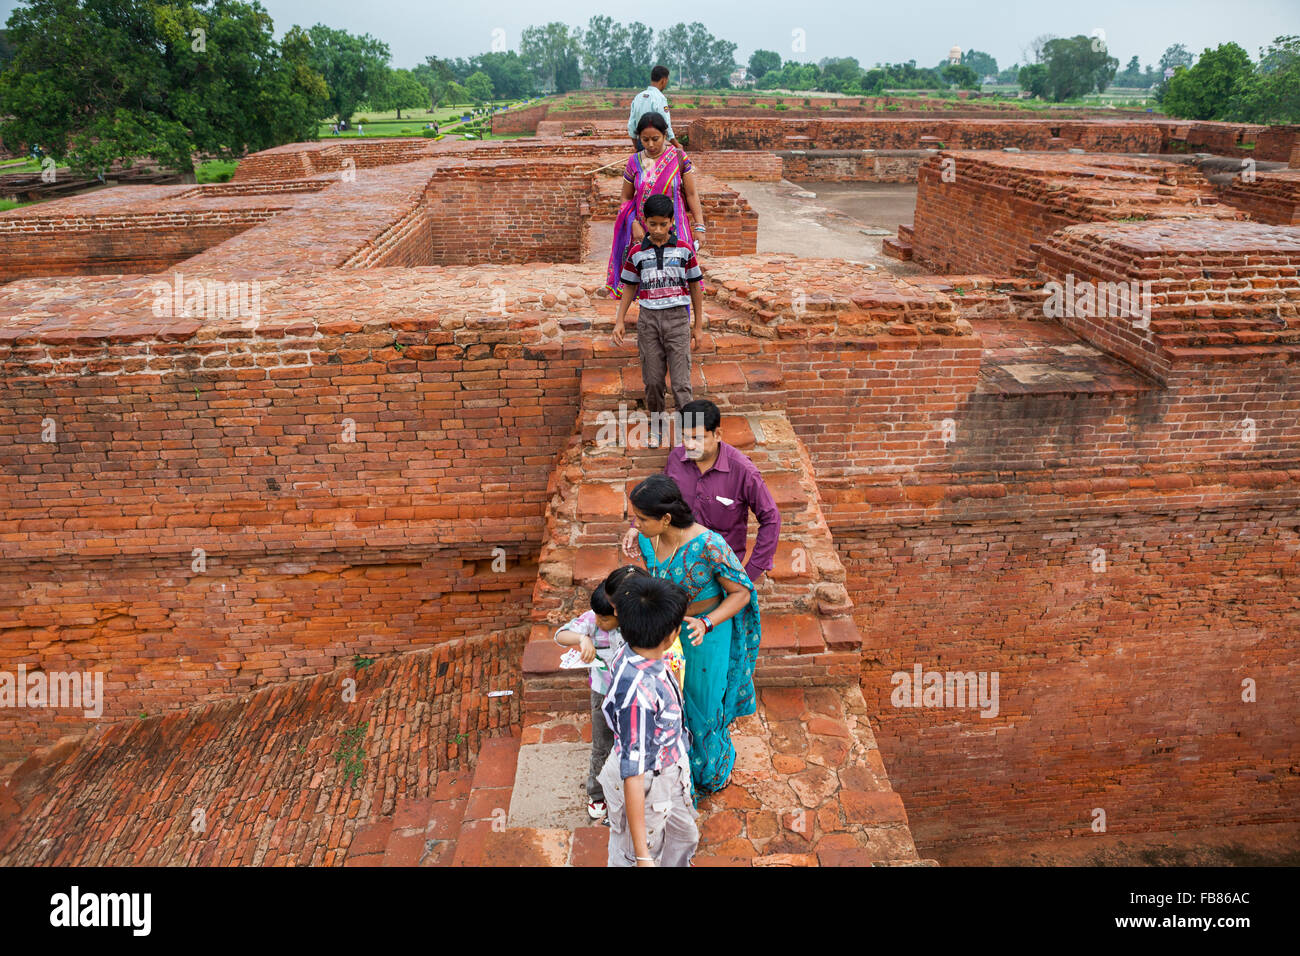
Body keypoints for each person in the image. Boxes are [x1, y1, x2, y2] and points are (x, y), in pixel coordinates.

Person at [627, 475, 761, 793]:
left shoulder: (709, 545)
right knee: (675, 703)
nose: (636, 524)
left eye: (641, 518)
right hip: (668, 635)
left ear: (666, 519)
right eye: (635, 517)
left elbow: (741, 592)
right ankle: (680, 768)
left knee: (703, 703)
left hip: (705, 635)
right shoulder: (649, 538)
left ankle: (708, 771)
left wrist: (706, 623)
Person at [553, 566, 683, 821]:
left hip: (634, 699)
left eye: (609, 617)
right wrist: (582, 639)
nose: (603, 621)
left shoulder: (638, 626)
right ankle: (597, 793)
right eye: (600, 617)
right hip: (603, 694)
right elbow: (561, 635)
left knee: (632, 747)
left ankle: (628, 794)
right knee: (602, 746)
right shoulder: (593, 621)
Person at [621, 399, 781, 586]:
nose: (689, 445)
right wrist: (635, 525)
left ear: (718, 434)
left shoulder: (743, 471)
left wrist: (750, 573)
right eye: (685, 437)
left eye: (697, 438)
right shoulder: (676, 459)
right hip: (679, 565)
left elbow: (771, 519)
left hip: (720, 573)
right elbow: (661, 497)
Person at [598, 574, 699, 866]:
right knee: (636, 852)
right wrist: (642, 856)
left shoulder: (636, 652)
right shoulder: (639, 698)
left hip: (670, 767)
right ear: (671, 635)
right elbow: (634, 775)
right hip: (648, 782)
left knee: (684, 836)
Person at [612, 193, 704, 448]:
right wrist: (620, 320)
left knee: (681, 383)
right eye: (653, 224)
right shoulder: (637, 253)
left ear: (672, 221)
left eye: (664, 224)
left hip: (677, 320)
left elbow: (696, 287)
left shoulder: (684, 250)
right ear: (644, 221)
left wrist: (697, 325)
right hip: (649, 320)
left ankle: (691, 435)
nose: (658, 230)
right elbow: (629, 287)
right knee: (653, 382)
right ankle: (657, 427)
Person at [604, 111, 706, 300]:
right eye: (645, 139)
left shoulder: (678, 158)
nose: (650, 144)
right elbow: (626, 198)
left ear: (665, 135)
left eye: (655, 139)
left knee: (680, 277)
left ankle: (680, 322)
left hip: (676, 227)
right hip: (646, 228)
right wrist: (633, 223)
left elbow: (691, 194)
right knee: (648, 279)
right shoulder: (634, 162)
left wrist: (699, 226)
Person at [627, 65, 680, 152]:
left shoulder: (638, 97)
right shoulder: (660, 98)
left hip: (642, 141)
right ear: (663, 80)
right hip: (655, 143)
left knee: (643, 165)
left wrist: (637, 146)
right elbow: (666, 124)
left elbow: (631, 125)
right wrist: (676, 144)